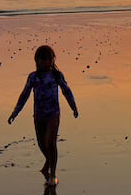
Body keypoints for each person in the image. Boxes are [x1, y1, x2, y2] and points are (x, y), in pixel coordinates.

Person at [8, 45, 78, 186]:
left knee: (50, 143)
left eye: (49, 59)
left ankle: (53, 175)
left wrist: (74, 107)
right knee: (41, 145)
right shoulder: (33, 77)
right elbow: (24, 95)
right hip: (39, 115)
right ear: (37, 61)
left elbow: (66, 91)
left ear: (53, 60)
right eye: (43, 59)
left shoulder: (57, 76)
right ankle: (48, 163)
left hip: (53, 114)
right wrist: (15, 113)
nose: (46, 62)